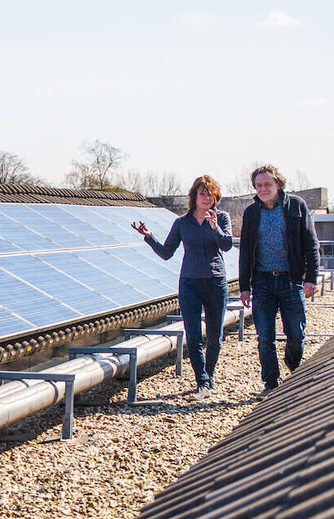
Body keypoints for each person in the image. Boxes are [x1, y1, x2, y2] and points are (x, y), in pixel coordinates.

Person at [132, 175, 233, 392]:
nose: (206, 198)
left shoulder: (221, 217)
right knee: (194, 335)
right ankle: (202, 382)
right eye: (202, 194)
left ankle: (210, 374)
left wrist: (215, 228)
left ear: (216, 197)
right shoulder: (181, 223)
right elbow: (167, 252)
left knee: (215, 335)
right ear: (194, 196)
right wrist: (149, 237)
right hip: (190, 284)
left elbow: (227, 246)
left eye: (210, 194)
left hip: (215, 282)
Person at [237, 164, 320, 393]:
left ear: (278, 184)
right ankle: (270, 383)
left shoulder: (296, 206)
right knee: (265, 336)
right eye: (259, 185)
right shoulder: (252, 213)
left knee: (295, 334)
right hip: (263, 281)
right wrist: (245, 287)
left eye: (267, 184)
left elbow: (311, 245)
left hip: (290, 280)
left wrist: (311, 278)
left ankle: (293, 368)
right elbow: (245, 250)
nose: (263, 189)